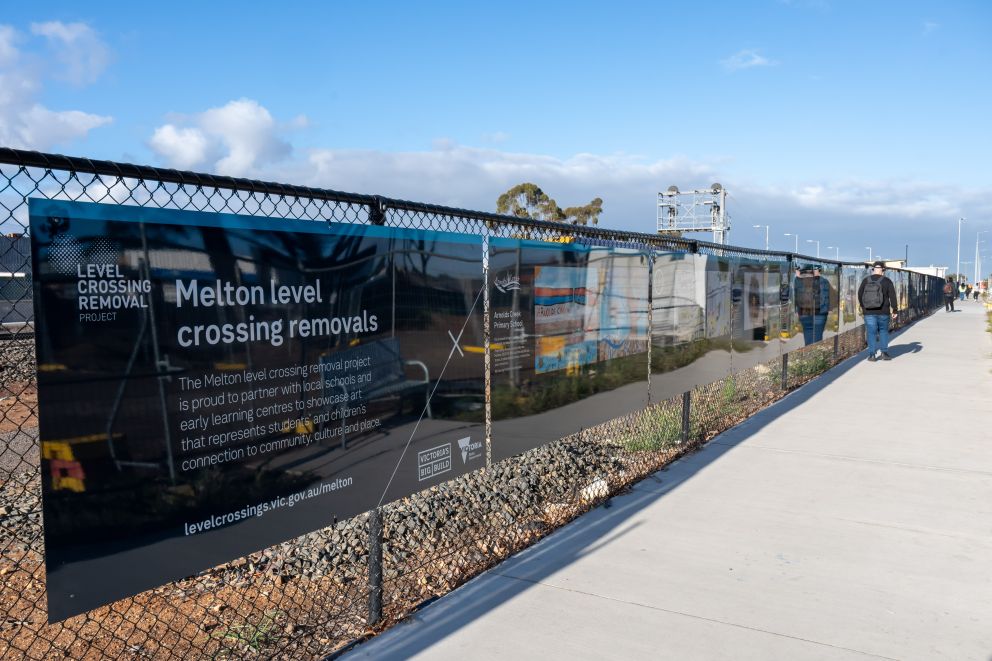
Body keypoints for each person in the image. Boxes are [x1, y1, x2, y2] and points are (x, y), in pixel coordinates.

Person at [858, 261, 898, 361]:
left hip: (869, 312)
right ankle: (884, 353)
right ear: (883, 270)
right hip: (883, 312)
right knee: (883, 331)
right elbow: (892, 296)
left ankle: (872, 355)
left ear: (873, 269)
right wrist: (895, 310)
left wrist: (864, 307)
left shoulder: (866, 280)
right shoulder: (887, 281)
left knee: (871, 332)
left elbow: (860, 294)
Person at [793, 264, 830, 345]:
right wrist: (817, 275)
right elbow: (825, 292)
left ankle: (808, 356)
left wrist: (798, 275)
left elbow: (796, 296)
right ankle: (816, 356)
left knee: (808, 339)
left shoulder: (798, 281)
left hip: (804, 314)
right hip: (819, 314)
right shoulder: (823, 281)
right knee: (817, 340)